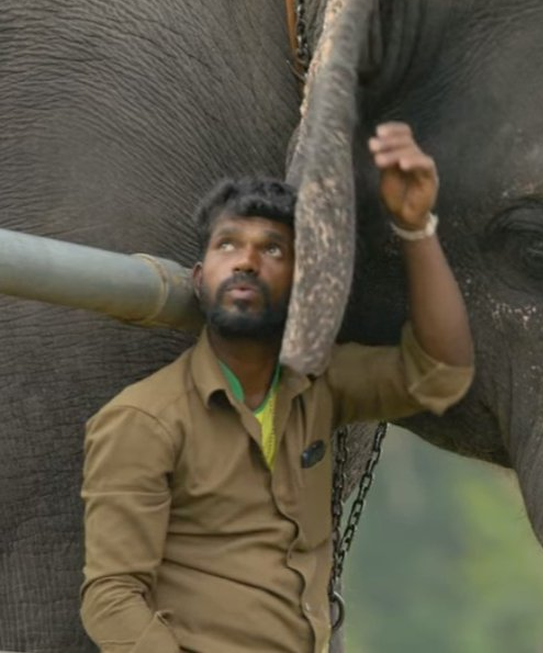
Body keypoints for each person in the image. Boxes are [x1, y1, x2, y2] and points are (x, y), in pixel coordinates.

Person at [79, 122, 474, 652]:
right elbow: (111, 598)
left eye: (273, 250)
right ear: (199, 278)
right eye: (228, 245)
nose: (246, 260)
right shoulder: (144, 421)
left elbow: (441, 373)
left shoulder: (320, 387)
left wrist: (415, 227)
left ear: (300, 285)